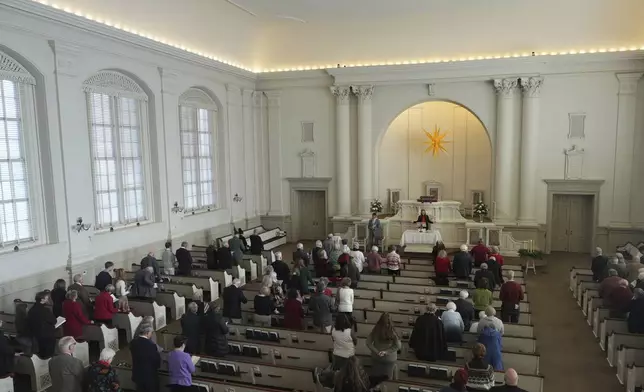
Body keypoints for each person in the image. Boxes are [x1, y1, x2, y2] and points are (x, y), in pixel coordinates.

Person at [365, 312, 401, 384]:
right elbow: (398, 346)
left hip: (377, 357)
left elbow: (368, 342)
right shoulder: (392, 331)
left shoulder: (375, 330)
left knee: (376, 377)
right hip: (390, 358)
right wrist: (386, 352)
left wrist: (377, 351)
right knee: (389, 379)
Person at [130, 324, 161, 392]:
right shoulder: (151, 345)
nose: (151, 334)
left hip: (138, 374)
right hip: (149, 376)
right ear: (147, 333)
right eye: (151, 333)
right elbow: (156, 360)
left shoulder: (133, 343)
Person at [27, 291, 57, 358]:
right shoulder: (45, 310)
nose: (47, 299)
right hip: (47, 335)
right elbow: (54, 321)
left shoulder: (31, 310)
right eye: (46, 298)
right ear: (42, 300)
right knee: (48, 352)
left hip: (36, 334)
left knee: (42, 351)